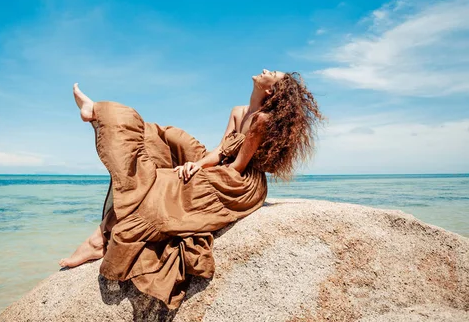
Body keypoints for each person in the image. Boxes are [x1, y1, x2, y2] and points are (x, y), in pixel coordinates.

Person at [58, 69, 324, 308]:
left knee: (167, 186)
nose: (266, 69)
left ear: (270, 90)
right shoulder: (238, 111)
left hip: (240, 183)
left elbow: (237, 167)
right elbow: (220, 152)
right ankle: (96, 112)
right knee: (163, 137)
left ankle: (100, 239)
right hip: (224, 167)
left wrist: (197, 173)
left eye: (272, 73)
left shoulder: (262, 120)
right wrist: (197, 164)